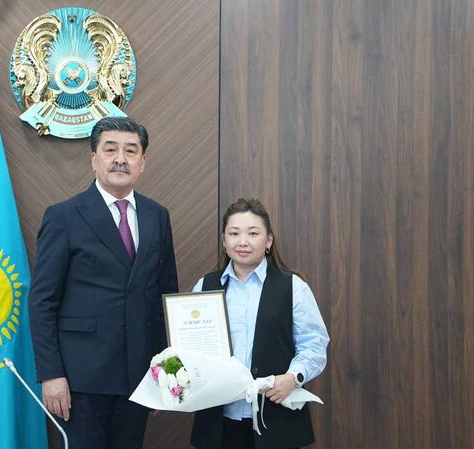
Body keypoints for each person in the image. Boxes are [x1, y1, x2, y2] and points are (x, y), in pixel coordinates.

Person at [29, 116, 179, 449]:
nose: (120, 159)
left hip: (139, 376)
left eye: (130, 151)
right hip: (80, 380)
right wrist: (51, 374)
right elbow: (42, 302)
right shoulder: (64, 216)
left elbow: (166, 297)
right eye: (110, 150)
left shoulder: (157, 215)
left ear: (143, 161)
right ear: (93, 159)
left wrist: (166, 371)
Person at [190, 198, 329, 449]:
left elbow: (314, 344)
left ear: (268, 241)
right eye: (234, 233)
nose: (242, 241)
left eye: (253, 233)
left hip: (276, 418)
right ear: (224, 241)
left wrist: (293, 377)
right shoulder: (205, 287)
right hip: (219, 420)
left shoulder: (293, 287)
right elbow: (191, 346)